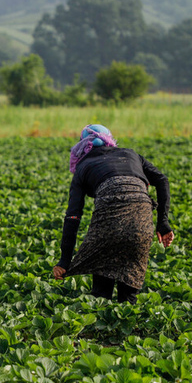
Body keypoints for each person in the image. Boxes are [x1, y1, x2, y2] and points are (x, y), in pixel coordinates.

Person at [52, 124, 174, 304]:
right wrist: (163, 223)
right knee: (129, 294)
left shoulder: (83, 166)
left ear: (82, 147)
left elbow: (73, 216)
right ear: (110, 140)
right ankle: (128, 327)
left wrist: (64, 261)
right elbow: (162, 180)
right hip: (141, 221)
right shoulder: (131, 154)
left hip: (107, 223)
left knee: (101, 294)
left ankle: (103, 326)